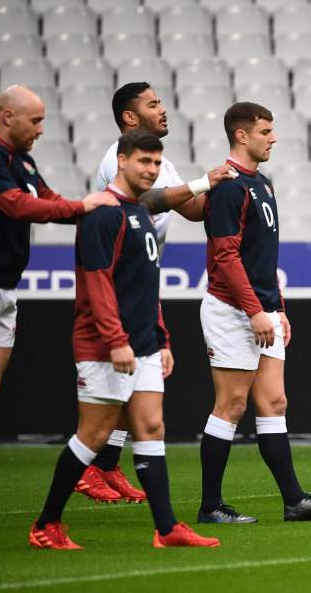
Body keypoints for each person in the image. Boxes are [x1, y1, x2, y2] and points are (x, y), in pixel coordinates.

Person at [0, 85, 118, 537]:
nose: (41, 129)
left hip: (3, 288)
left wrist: (93, 212)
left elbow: (45, 195)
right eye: (35, 121)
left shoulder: (20, 158)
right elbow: (17, 206)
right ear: (7, 117)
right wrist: (82, 207)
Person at [28, 130, 218, 549]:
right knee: (93, 435)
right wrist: (116, 340)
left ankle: (166, 529)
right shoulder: (103, 215)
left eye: (156, 163)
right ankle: (46, 524)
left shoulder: (142, 213)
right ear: (121, 162)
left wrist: (162, 339)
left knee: (151, 426)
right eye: (143, 162)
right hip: (104, 345)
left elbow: (145, 285)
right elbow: (97, 284)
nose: (151, 170)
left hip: (144, 343)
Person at [75, 82, 235, 505]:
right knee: (124, 385)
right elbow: (148, 202)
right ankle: (87, 468)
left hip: (142, 282)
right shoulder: (120, 159)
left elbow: (193, 208)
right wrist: (204, 181)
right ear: (130, 117)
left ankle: (105, 466)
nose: (163, 109)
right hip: (119, 285)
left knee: (140, 382)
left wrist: (229, 191)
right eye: (152, 104)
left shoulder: (160, 162)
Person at [197, 102, 311, 523]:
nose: (273, 137)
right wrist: (253, 310)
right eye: (265, 131)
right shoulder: (227, 186)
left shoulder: (261, 183)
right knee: (230, 404)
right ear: (241, 135)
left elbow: (264, 257)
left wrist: (276, 307)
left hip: (261, 309)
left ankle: (294, 502)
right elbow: (225, 257)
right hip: (231, 309)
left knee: (274, 401)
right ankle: (210, 506)